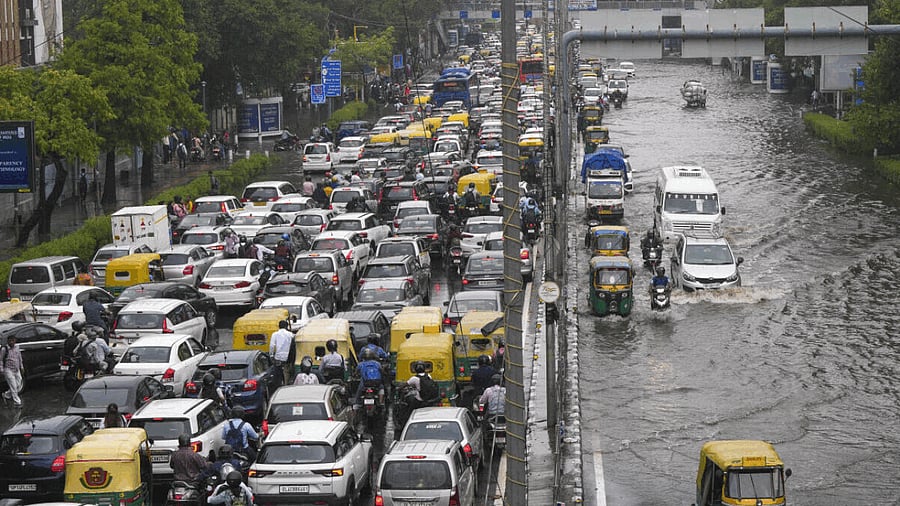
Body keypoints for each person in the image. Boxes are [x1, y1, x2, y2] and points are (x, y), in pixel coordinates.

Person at [0, 335, 24, 407]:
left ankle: (6, 395)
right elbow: (0, 359)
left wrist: (21, 367)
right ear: (8, 341)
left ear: (15, 341)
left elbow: (19, 357)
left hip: (16, 369)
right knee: (13, 386)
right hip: (8, 369)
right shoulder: (5, 349)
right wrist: (1, 370)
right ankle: (17, 402)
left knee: (19, 384)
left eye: (13, 340)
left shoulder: (17, 348)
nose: (11, 342)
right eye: (10, 341)